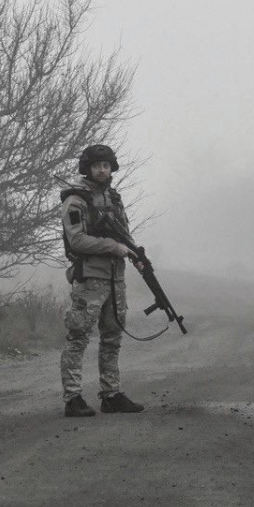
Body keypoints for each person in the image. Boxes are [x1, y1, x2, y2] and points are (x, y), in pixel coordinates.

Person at [59, 144, 145, 417]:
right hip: (91, 279)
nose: (101, 170)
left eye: (106, 165)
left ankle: (111, 394)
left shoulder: (115, 199)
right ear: (88, 168)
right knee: (78, 338)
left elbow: (125, 236)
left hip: (114, 279)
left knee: (112, 338)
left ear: (111, 168)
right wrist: (111, 246)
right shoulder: (76, 200)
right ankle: (73, 399)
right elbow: (77, 239)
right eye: (96, 166)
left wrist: (136, 255)